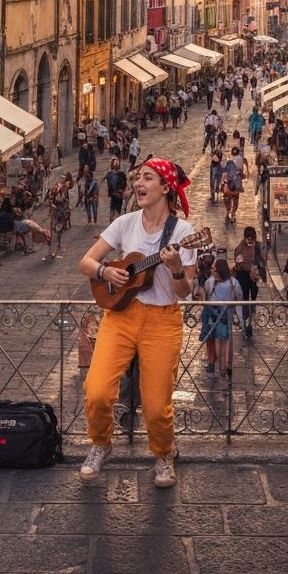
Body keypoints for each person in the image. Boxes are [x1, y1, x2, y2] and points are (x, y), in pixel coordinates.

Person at [78, 158, 197, 489]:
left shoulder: (184, 234)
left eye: (147, 177)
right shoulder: (124, 224)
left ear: (165, 187)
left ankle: (163, 454)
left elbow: (184, 291)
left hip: (162, 320)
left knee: (157, 406)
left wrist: (173, 267)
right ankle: (101, 444)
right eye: (137, 178)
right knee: (97, 390)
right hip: (120, 316)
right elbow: (86, 262)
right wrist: (105, 272)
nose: (138, 184)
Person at [200, 259, 242, 377]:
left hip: (220, 316)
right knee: (220, 340)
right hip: (219, 315)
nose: (212, 271)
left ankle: (222, 366)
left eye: (214, 269)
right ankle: (222, 367)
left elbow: (239, 299)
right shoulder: (229, 282)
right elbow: (239, 298)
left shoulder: (215, 282)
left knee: (221, 341)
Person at [233, 227, 266, 339]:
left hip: (252, 277)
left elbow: (262, 259)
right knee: (246, 298)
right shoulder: (240, 248)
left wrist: (256, 268)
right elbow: (238, 263)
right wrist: (250, 268)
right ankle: (247, 322)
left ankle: (249, 318)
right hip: (244, 276)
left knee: (251, 296)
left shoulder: (256, 246)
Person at [222, 147, 245, 223]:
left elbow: (224, 171)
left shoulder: (228, 159)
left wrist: (223, 182)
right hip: (236, 182)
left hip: (227, 182)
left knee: (226, 198)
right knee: (235, 199)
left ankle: (228, 211)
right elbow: (241, 171)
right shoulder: (240, 159)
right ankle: (233, 213)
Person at [105, 159, 127, 224]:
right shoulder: (110, 174)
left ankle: (117, 225)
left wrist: (122, 191)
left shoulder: (122, 174)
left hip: (119, 196)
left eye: (117, 162)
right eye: (115, 162)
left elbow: (124, 184)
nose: (116, 163)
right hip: (114, 196)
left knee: (118, 212)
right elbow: (109, 185)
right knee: (112, 212)